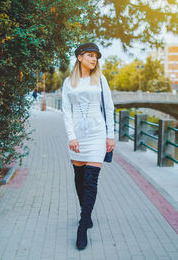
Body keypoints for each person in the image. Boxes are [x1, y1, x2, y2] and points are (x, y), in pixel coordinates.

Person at [61, 42, 115, 250]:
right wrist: (71, 137)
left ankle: (82, 227)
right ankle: (87, 215)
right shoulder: (68, 82)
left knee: (91, 181)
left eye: (96, 57)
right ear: (79, 57)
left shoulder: (100, 80)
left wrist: (111, 136)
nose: (94, 59)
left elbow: (109, 108)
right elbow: (66, 111)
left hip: (97, 136)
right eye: (91, 55)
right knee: (79, 179)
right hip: (77, 137)